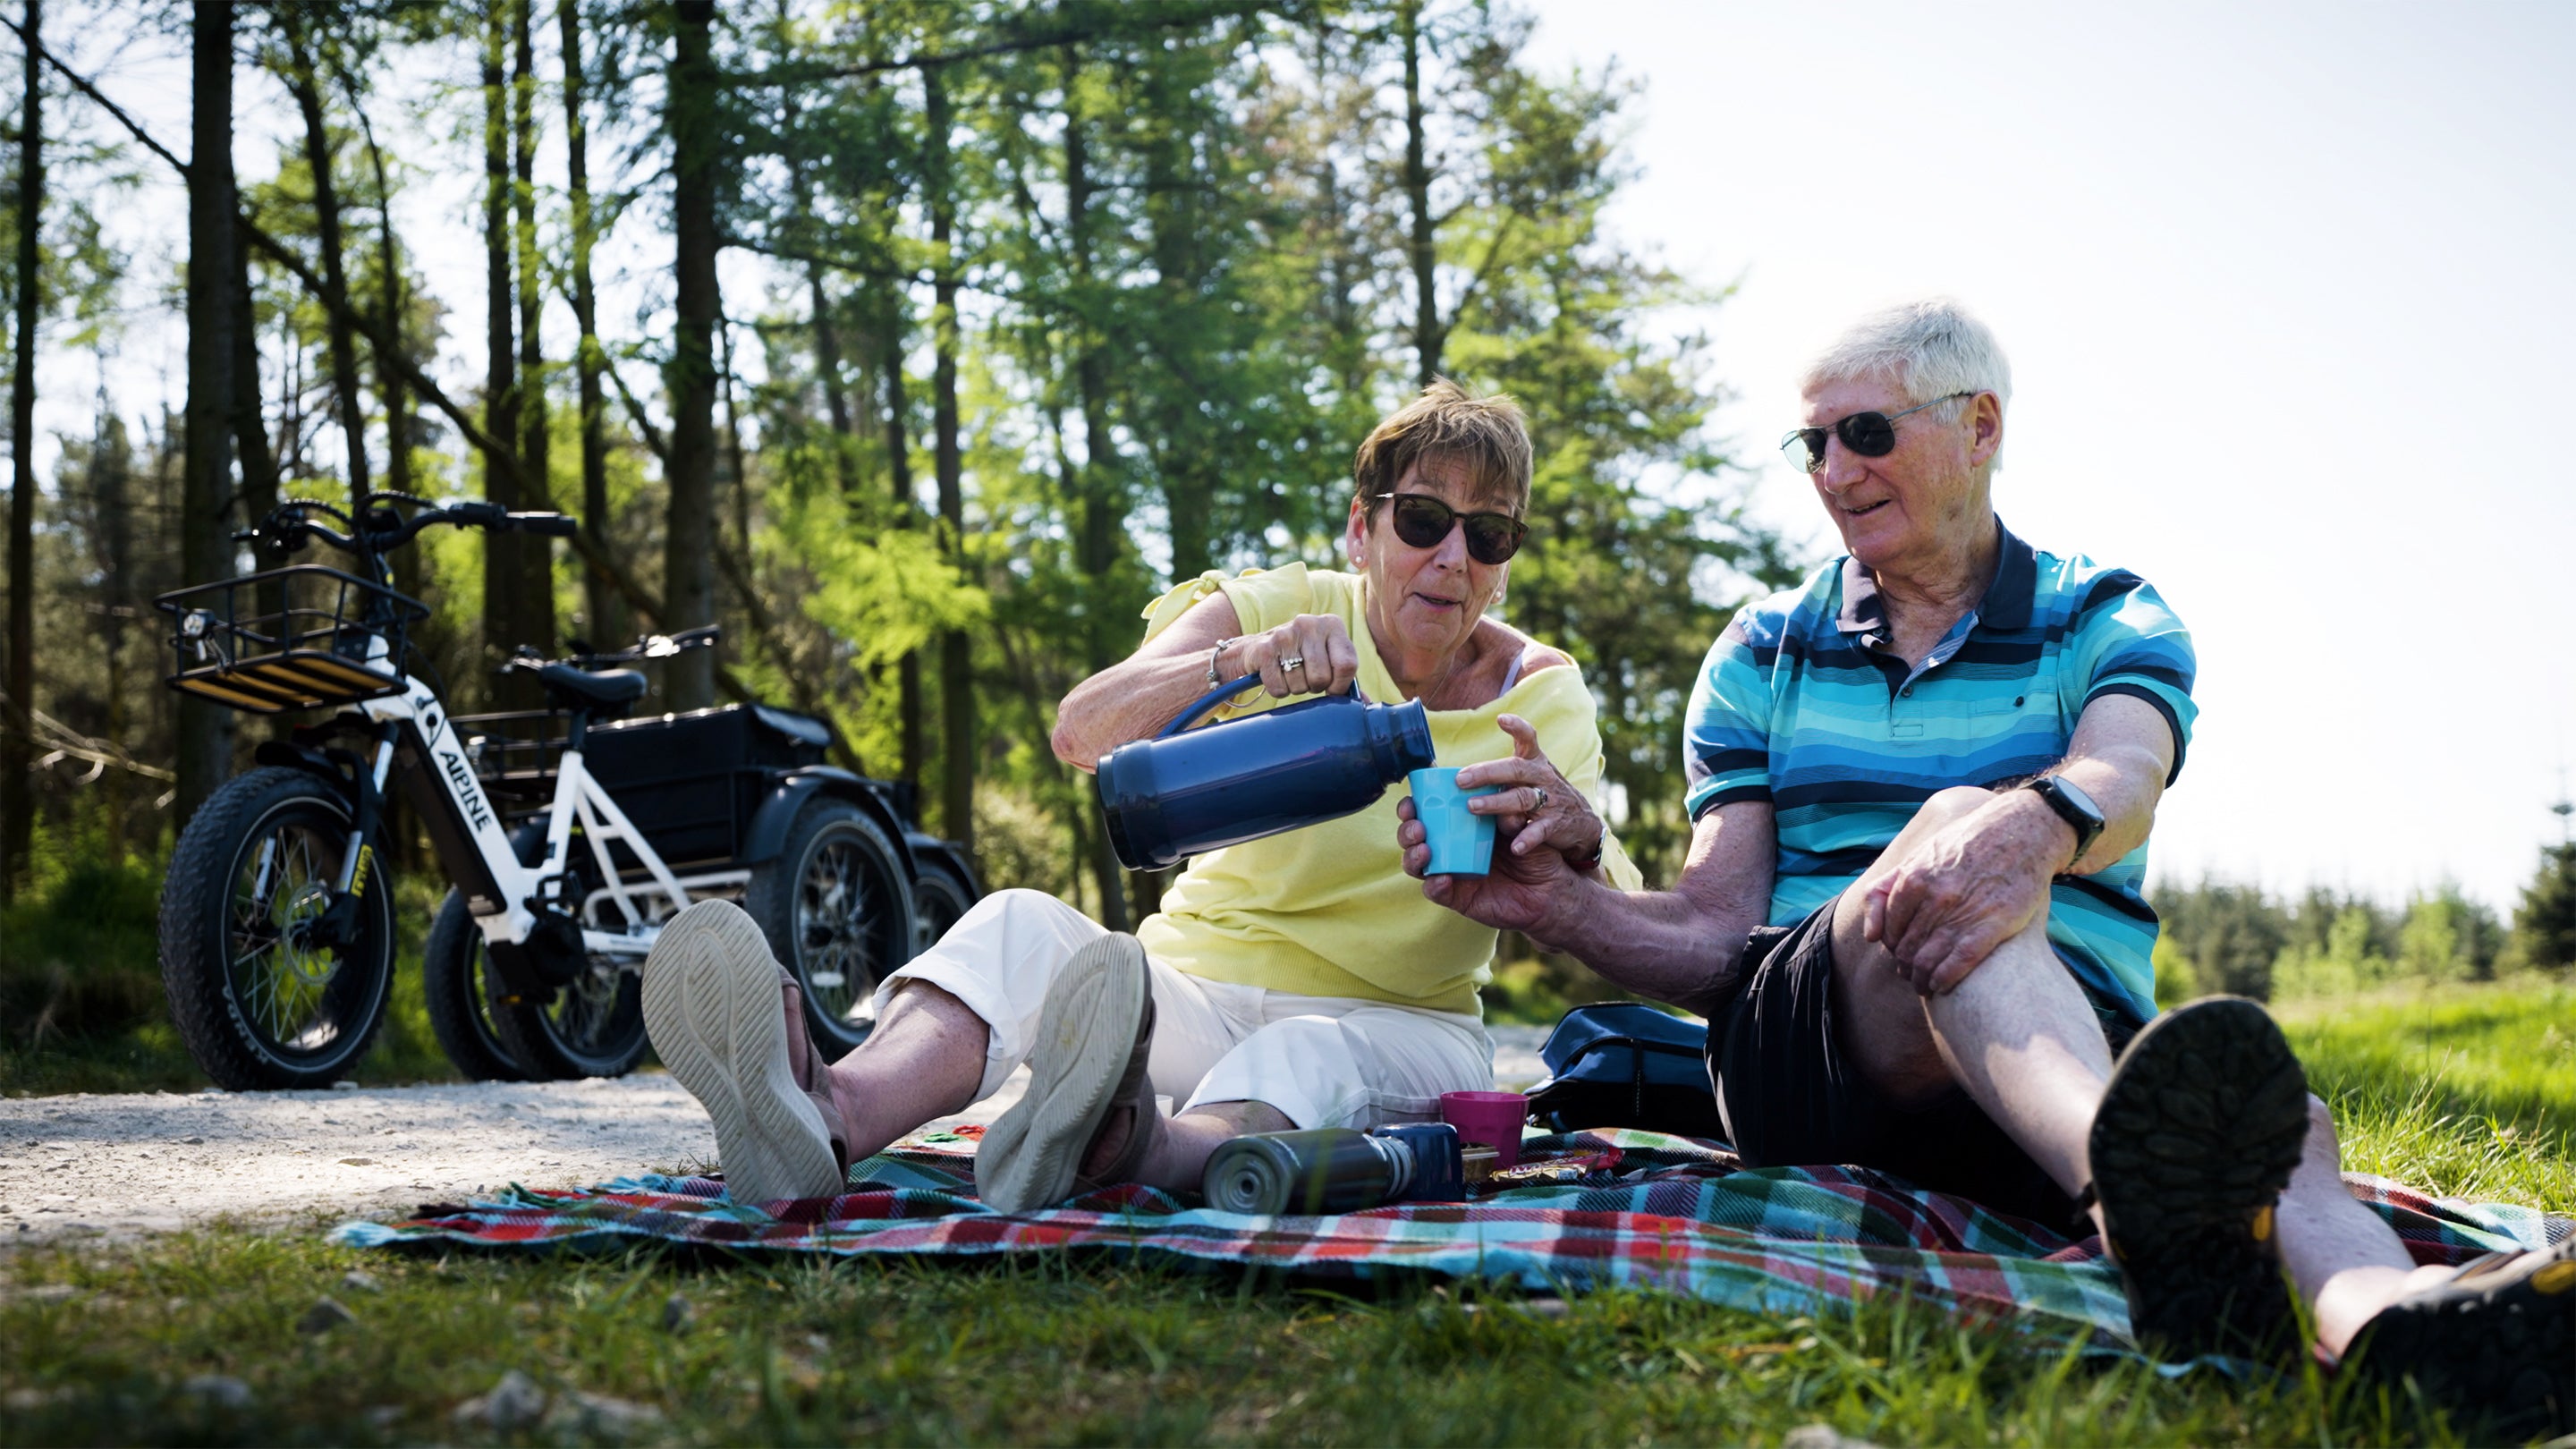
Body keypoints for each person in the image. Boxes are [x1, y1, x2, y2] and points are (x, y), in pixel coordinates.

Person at [1402, 300, 2573, 1436]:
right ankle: (2134, 1197)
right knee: (1958, 844)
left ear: (1981, 427)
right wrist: (1563, 905)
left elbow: (2126, 769)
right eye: (1813, 444)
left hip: (2061, 1057)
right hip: (1811, 1055)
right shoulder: (1761, 650)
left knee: (2281, 1133)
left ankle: (2393, 1330)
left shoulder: (2103, 613)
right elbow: (1714, 939)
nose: (1834, 471)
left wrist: (2039, 829)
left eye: (1868, 432)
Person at [640, 379, 1641, 1218]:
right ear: (1362, 529)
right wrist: (1242, 659)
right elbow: (1083, 731)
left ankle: (1136, 1146)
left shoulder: (1543, 694)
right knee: (1019, 925)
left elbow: (1623, 915)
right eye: (1423, 519)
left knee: (1309, 1051)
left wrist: (1582, 842)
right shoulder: (1281, 606)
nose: (1453, 557)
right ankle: (825, 1117)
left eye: (1488, 534)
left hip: (1399, 1023)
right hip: (1185, 993)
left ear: (1504, 565)